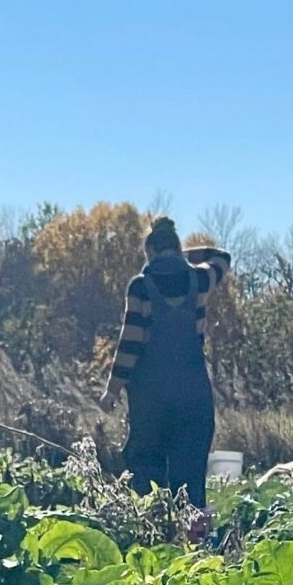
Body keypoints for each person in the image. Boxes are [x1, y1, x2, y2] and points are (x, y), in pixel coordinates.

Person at [100, 216, 230, 507]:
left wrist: (112, 389)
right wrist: (185, 256)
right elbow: (222, 257)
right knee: (190, 481)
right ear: (175, 247)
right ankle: (194, 543)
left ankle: (155, 539)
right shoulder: (199, 279)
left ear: (150, 250)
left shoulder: (141, 287)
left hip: (151, 401)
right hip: (194, 395)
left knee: (148, 477)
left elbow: (130, 343)